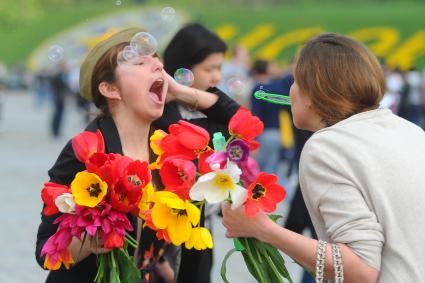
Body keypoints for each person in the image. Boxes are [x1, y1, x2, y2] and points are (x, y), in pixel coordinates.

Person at [35, 27, 238, 283]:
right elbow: (45, 252)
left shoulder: (168, 143)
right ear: (111, 89)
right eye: (141, 61)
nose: (158, 66)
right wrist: (89, 242)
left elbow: (239, 123)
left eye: (158, 61)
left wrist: (181, 92)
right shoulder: (87, 150)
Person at [222, 33, 425, 282]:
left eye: (296, 80)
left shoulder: (326, 146)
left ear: (312, 94)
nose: (291, 90)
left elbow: (360, 269)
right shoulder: (410, 130)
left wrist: (261, 229)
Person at [159, 23, 240, 283]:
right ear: (183, 68)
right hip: (163, 230)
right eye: (209, 68)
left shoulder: (212, 109)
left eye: (219, 67)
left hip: (201, 228)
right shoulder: (160, 111)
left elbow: (239, 117)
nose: (217, 77)